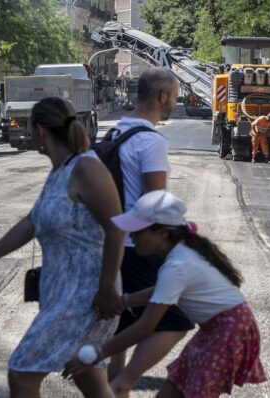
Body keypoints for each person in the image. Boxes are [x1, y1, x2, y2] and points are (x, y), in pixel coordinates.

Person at [0, 97, 125, 398]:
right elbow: (31, 223)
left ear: (40, 131)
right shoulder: (59, 171)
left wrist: (106, 287)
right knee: (90, 379)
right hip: (64, 293)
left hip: (87, 297)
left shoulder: (86, 167)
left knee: (22, 372)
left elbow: (116, 228)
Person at [63, 190, 266, 398]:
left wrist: (97, 354)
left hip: (227, 332)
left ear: (163, 233)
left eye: (138, 231)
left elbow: (144, 327)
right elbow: (161, 290)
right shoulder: (182, 252)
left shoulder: (176, 266)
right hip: (225, 327)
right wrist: (125, 301)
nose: (131, 236)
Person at [106, 67, 196, 398]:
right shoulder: (151, 141)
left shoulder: (115, 133)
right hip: (139, 246)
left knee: (121, 318)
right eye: (174, 95)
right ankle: (123, 381)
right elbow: (155, 205)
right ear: (161, 96)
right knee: (178, 316)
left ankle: (115, 387)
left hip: (114, 243)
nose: (175, 101)